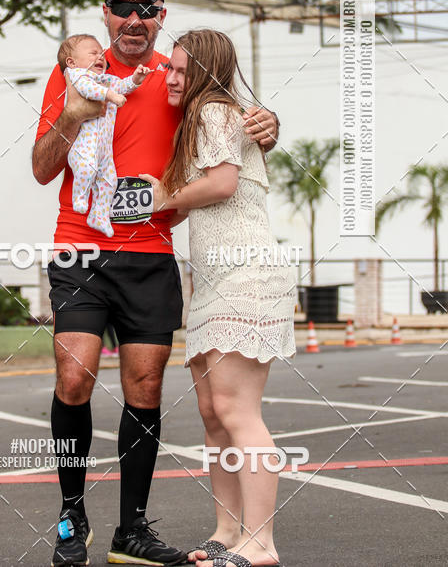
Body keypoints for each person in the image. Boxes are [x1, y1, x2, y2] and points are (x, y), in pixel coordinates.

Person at [32, 0, 279, 567]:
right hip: (80, 247)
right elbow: (42, 168)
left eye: (147, 8)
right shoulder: (73, 75)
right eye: (123, 7)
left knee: (145, 387)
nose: (135, 18)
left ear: (161, 16)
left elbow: (236, 121)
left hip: (150, 255)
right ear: (108, 14)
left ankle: (132, 531)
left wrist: (269, 126)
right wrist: (73, 112)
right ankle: (71, 518)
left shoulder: (178, 75)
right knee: (75, 377)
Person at [141, 30, 296, 567]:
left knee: (236, 410)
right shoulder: (203, 120)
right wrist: (154, 200)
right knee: (212, 414)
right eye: (171, 68)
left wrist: (159, 196)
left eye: (182, 69)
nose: (172, 76)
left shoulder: (212, 111)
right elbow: (193, 202)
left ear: (206, 72)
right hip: (212, 283)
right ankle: (227, 533)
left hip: (246, 276)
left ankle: (261, 543)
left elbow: (223, 183)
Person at [58, 33, 151, 236]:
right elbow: (89, 90)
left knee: (110, 181)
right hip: (84, 148)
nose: (101, 56)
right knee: (86, 169)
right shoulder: (76, 76)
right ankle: (80, 197)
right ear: (72, 62)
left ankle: (99, 215)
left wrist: (135, 79)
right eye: (93, 53)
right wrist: (110, 96)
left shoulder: (106, 80)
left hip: (104, 149)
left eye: (102, 53)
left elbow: (122, 86)